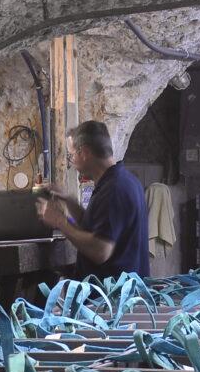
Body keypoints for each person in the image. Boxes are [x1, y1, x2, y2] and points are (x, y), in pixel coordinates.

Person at [36, 119, 150, 278]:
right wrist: (69, 200)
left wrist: (59, 222)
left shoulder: (114, 190)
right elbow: (96, 228)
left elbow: (100, 250)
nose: (72, 163)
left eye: (72, 155)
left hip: (112, 298)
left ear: (84, 153)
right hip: (120, 293)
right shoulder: (122, 181)